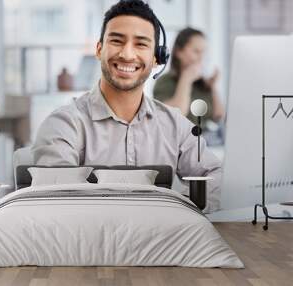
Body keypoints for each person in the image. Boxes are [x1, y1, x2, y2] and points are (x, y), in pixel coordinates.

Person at [31, 0, 221, 213]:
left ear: (158, 57)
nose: (127, 54)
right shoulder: (64, 124)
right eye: (117, 41)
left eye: (141, 44)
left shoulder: (175, 125)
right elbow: (58, 202)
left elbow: (217, 177)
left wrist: (177, 207)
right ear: (99, 49)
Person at [153, 27, 225, 127]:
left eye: (203, 52)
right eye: (196, 51)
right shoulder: (165, 82)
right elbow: (176, 115)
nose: (201, 57)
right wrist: (186, 79)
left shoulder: (202, 83)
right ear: (179, 52)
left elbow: (218, 116)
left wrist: (213, 87)